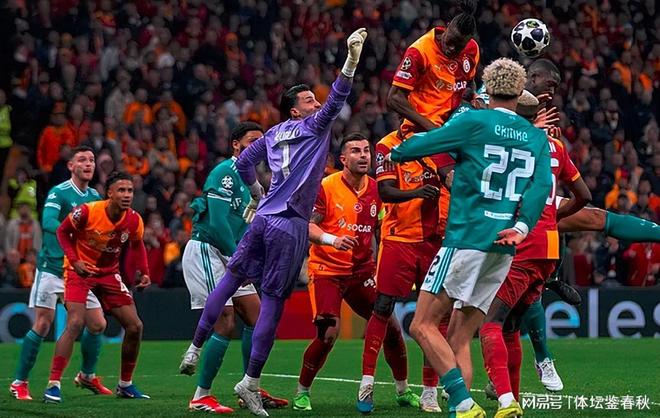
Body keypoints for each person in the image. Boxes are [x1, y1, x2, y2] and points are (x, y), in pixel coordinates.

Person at [187, 28, 368, 417]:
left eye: (314, 99)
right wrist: (351, 62)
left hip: (263, 218)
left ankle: (195, 346)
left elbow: (243, 162)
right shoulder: (313, 127)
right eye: (308, 100)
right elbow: (338, 97)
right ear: (295, 111)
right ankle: (250, 382)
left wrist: (256, 192)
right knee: (271, 302)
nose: (316, 103)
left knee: (231, 280)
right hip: (289, 224)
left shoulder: (272, 134)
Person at [390, 58, 552, 418]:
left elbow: (423, 145)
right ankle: (467, 408)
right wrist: (522, 227)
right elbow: (542, 186)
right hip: (504, 246)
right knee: (459, 338)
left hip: (465, 239)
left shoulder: (475, 121)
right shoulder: (536, 137)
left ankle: (463, 403)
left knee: (421, 325)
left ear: (487, 88)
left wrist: (397, 150)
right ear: (520, 91)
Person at [359, 1, 480, 412]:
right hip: (421, 146)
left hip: (445, 159)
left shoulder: (471, 51)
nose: (455, 50)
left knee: (435, 309)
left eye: (461, 46)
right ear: (444, 30)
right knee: (386, 306)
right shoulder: (420, 51)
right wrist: (435, 130)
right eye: (451, 43)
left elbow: (463, 93)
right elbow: (394, 98)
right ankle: (369, 383)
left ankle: (431, 389)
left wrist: (466, 116)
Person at [479, 89, 591, 418]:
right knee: (512, 325)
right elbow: (584, 195)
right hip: (549, 247)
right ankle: (516, 399)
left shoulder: (509, 144)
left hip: (521, 245)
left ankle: (505, 398)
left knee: (491, 324)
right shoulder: (554, 146)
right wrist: (553, 216)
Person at [293, 133, 412, 411]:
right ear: (343, 159)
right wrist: (332, 240)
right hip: (327, 270)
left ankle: (403, 390)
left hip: (362, 272)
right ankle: (302, 392)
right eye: (356, 151)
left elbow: (381, 230)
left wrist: (385, 265)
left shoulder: (378, 190)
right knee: (329, 333)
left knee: (392, 328)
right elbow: (308, 226)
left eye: (366, 151)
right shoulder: (326, 186)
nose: (363, 156)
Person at [179, 122, 287, 413]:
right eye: (252, 141)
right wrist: (239, 258)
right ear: (236, 145)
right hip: (208, 250)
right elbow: (217, 223)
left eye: (262, 142)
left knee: (257, 317)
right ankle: (201, 396)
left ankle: (249, 387)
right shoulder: (224, 172)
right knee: (225, 321)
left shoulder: (253, 182)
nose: (258, 146)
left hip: (233, 255)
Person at [10, 146, 109, 401]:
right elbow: (48, 222)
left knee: (97, 324)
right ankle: (19, 382)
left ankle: (87, 375)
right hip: (52, 269)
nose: (88, 164)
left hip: (78, 271)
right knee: (43, 323)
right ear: (71, 166)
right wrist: (77, 231)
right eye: (82, 160)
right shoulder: (60, 192)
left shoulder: (95, 196)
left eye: (91, 160)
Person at [44, 172, 151, 403]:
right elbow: (63, 231)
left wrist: (144, 272)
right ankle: (53, 384)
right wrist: (75, 261)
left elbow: (137, 244)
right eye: (121, 190)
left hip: (109, 274)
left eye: (130, 191)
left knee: (135, 326)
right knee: (75, 322)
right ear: (109, 193)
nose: (126, 195)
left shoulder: (134, 220)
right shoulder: (88, 211)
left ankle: (125, 385)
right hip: (79, 271)